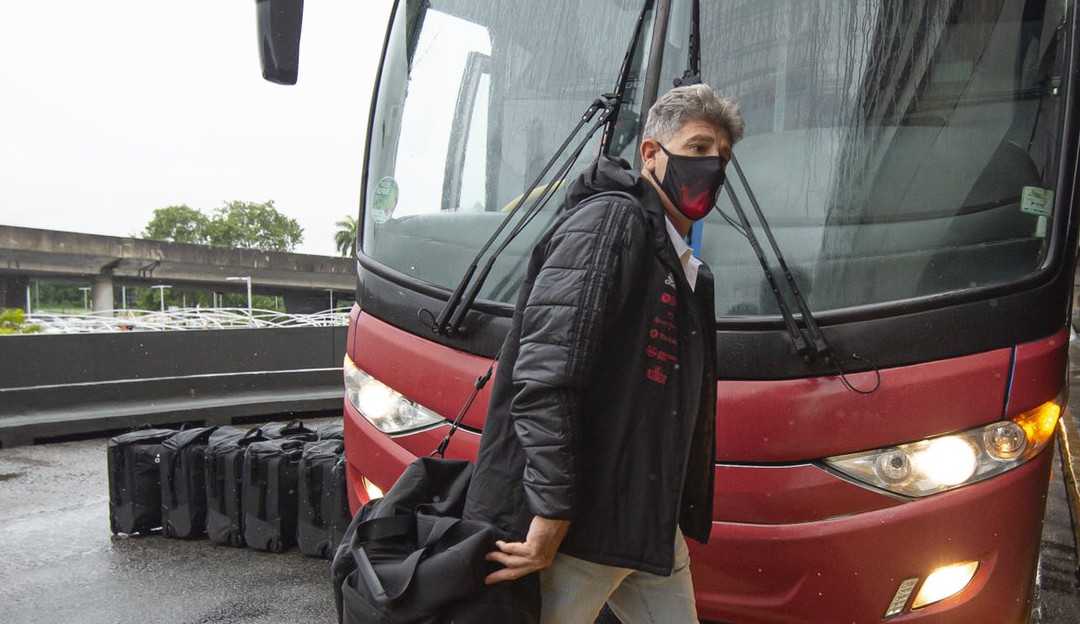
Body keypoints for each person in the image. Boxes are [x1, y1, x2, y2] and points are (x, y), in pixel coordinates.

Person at [463, 84, 744, 623]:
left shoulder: (680, 264)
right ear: (651, 154)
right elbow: (546, 376)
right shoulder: (611, 222)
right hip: (579, 530)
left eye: (723, 156)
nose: (711, 165)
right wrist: (549, 513)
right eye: (699, 146)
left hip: (644, 526)